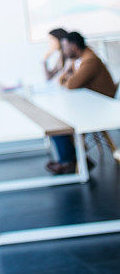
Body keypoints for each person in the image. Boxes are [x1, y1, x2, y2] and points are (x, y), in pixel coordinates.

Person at [46, 31, 118, 175]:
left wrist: (67, 74)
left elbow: (71, 84)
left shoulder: (90, 60)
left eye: (65, 46)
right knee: (56, 120)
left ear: (73, 46)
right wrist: (67, 73)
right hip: (90, 105)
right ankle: (70, 159)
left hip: (100, 108)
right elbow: (62, 81)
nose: (63, 50)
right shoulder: (79, 60)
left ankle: (69, 161)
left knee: (57, 124)